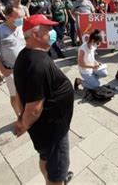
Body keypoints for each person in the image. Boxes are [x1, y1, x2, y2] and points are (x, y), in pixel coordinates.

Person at [13, 14, 74, 184]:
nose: (52, 32)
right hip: (53, 131)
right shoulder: (38, 63)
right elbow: (34, 107)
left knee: (46, 159)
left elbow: (20, 92)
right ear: (35, 35)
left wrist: (20, 117)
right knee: (57, 172)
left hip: (44, 131)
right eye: (48, 29)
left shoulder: (25, 55)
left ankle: (51, 177)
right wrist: (23, 124)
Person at [0, 4, 26, 116]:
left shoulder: (21, 26)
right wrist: (2, 70)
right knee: (15, 95)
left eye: (22, 16)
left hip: (26, 68)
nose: (21, 19)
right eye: (18, 17)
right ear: (8, 17)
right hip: (11, 70)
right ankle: (19, 116)